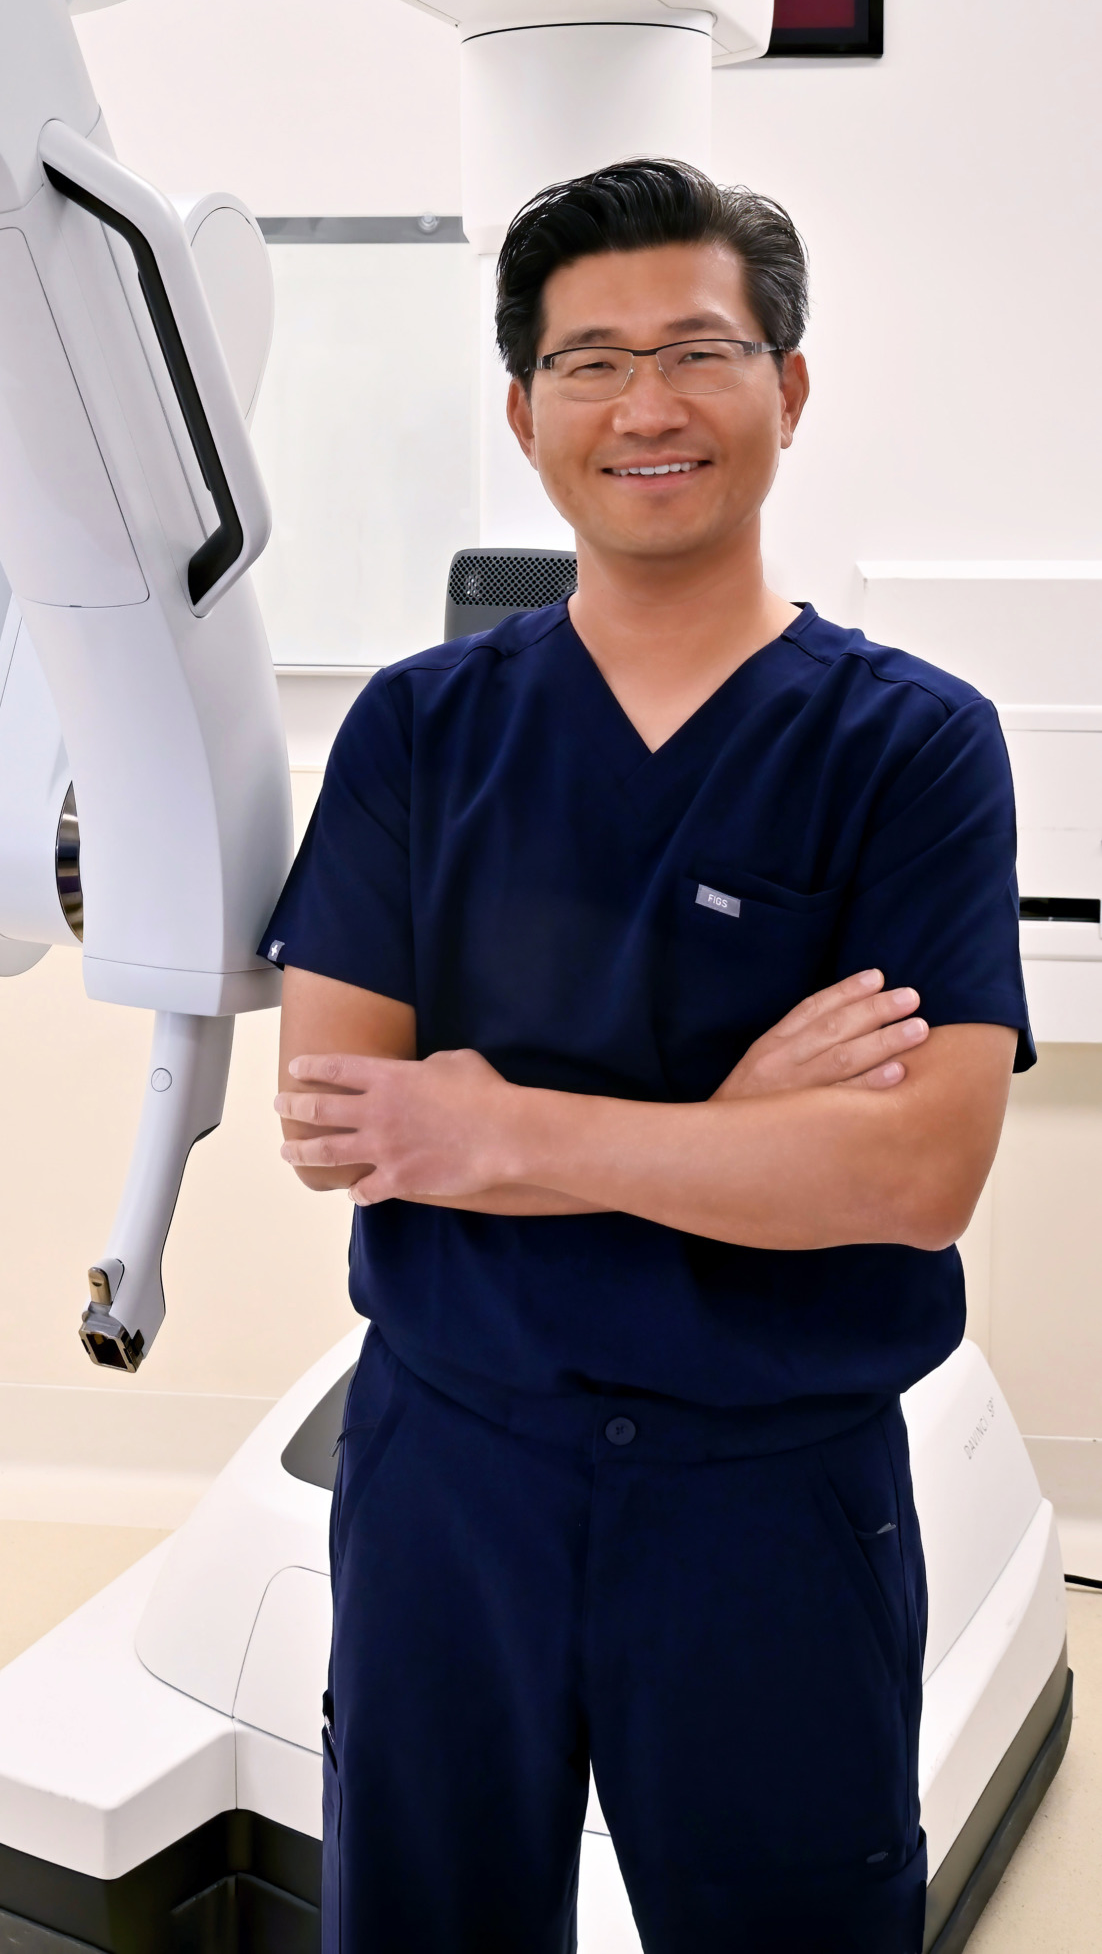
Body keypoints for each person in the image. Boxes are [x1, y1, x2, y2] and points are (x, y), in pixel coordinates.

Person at [263, 160, 1031, 1954]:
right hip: (455, 1466)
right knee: (425, 1917)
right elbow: (344, 1119)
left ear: (789, 386)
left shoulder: (909, 748)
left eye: (698, 350)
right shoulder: (420, 728)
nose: (647, 406)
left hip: (766, 1487)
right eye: (590, 363)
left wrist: (505, 1122)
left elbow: (913, 1175)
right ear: (524, 411)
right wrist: (730, 1124)